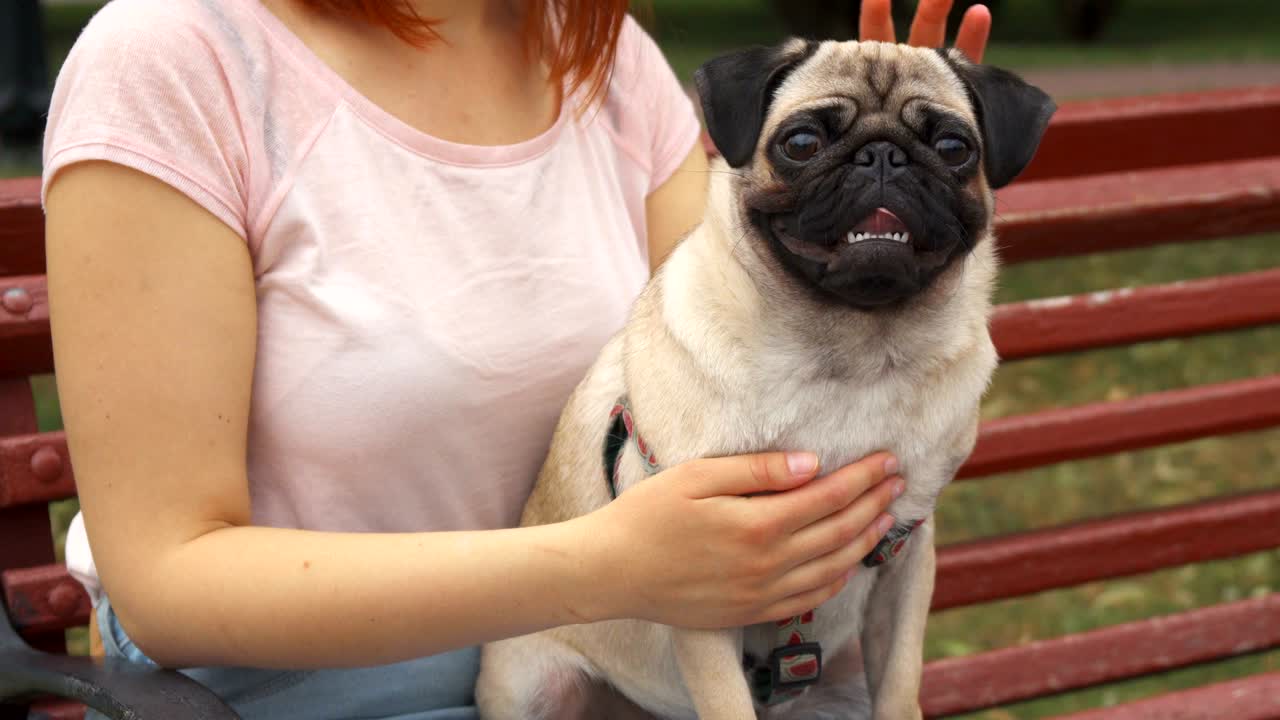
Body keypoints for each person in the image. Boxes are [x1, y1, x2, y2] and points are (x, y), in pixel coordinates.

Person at [43, 0, 991, 717]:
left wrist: (909, 220)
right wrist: (596, 568)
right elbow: (165, 583)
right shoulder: (177, 58)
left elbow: (728, 366)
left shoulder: (603, 57)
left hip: (643, 672)